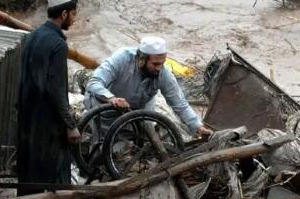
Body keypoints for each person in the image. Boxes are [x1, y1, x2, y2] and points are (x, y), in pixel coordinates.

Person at [17, 0, 81, 195]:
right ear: (63, 14)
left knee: (28, 172)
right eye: (73, 13)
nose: (74, 18)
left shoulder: (33, 36)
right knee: (58, 175)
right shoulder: (58, 44)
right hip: (48, 122)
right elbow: (57, 88)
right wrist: (70, 125)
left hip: (27, 116)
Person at [83, 36, 213, 137]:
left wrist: (198, 127)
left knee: (145, 138)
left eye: (162, 64)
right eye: (155, 64)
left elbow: (180, 104)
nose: (159, 68)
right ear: (141, 60)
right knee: (106, 145)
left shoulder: (163, 73)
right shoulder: (122, 58)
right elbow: (94, 82)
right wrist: (112, 99)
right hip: (105, 107)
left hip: (138, 109)